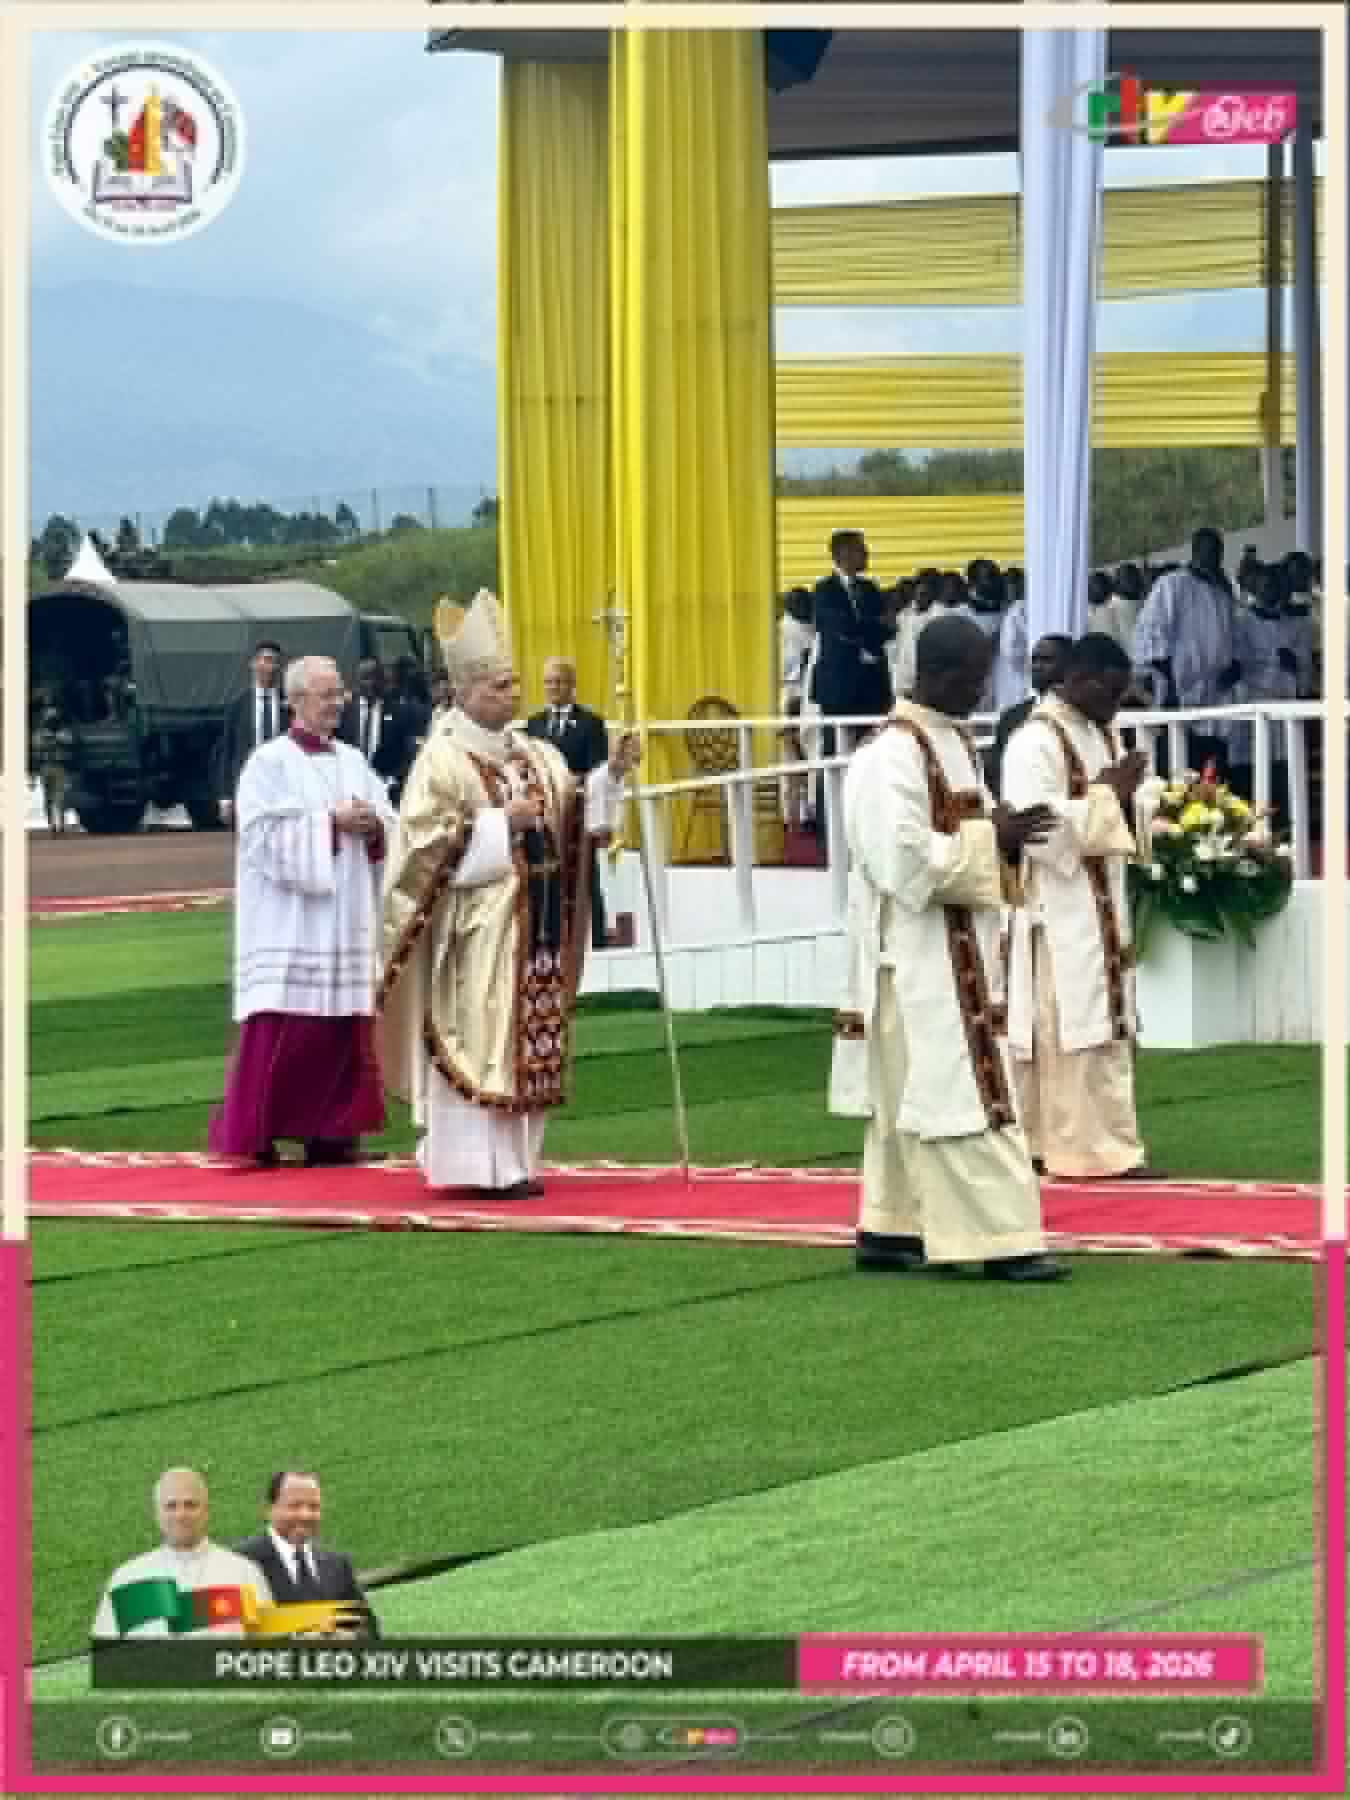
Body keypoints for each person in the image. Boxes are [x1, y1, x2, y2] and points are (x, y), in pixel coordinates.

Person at [379, 591, 640, 1197]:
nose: (512, 694)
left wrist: (611, 777)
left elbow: (571, 805)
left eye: (514, 682)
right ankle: (475, 1169)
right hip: (477, 932)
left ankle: (519, 1164)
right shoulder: (441, 760)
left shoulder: (531, 750)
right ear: (466, 692)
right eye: (499, 686)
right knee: (483, 1041)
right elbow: (420, 849)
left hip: (537, 923)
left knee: (528, 1039)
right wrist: (500, 825)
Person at [843, 613, 1065, 1282]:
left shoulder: (953, 741)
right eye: (971, 679)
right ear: (934, 673)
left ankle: (892, 1223)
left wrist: (1008, 837)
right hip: (915, 953)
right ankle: (1001, 1237)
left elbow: (975, 831)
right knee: (961, 1092)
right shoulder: (890, 754)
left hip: (960, 945)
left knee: (919, 1090)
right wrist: (989, 840)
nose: (980, 691)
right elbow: (900, 860)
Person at [208, 655, 394, 1169]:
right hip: (291, 921)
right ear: (295, 700)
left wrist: (375, 827)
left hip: (345, 916)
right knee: (283, 1029)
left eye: (339, 693)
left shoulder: (356, 761)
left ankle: (332, 1132)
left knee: (341, 1030)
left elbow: (391, 820)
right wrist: (329, 825)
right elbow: (260, 837)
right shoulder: (268, 763)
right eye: (325, 694)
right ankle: (258, 1134)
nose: (337, 703)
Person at [1002, 634, 1153, 1182]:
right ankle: (1069, 1147)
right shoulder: (1033, 742)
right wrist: (1108, 797)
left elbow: (1126, 805)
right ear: (1076, 679)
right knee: (1067, 1025)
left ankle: (1109, 1143)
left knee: (1106, 1024)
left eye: (1120, 694)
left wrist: (1137, 796)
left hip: (1103, 901)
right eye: (1108, 693)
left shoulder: (1101, 731)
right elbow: (1034, 828)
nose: (1115, 704)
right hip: (1059, 906)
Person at [91, 1468, 273, 1640]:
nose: (181, 1515)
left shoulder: (243, 1573)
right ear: (157, 1514)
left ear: (206, 1511)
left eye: (190, 1505)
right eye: (171, 1506)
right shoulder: (128, 1578)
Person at [1133, 526, 1241, 775]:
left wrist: (1235, 666)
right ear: (1195, 551)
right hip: (1180, 694)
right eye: (1208, 550)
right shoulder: (1172, 585)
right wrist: (1169, 686)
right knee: (1178, 769)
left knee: (1212, 772)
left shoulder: (1222, 594)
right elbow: (1151, 635)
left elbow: (1233, 639)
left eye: (1218, 551)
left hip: (1216, 697)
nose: (1214, 557)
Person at [525, 658, 613, 950]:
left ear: (572, 685)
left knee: (587, 877)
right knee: (545, 875)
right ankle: (548, 940)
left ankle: (598, 939)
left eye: (559, 681)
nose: (553, 688)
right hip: (545, 814)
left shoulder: (591, 723)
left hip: (577, 811)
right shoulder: (534, 725)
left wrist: (573, 781)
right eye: (548, 682)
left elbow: (598, 768)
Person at [237, 1471, 378, 1639]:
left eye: (314, 1507)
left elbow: (370, 1631)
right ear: (269, 1509)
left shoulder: (338, 1565)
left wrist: (349, 1636)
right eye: (295, 1506)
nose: (305, 1515)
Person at [985, 633, 1071, 800]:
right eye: (1034, 659)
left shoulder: (1080, 715)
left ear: (1068, 666)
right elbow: (995, 772)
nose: (1037, 666)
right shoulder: (1011, 718)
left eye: (1047, 660)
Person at [218, 639, 288, 825]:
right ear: (254, 663)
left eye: (275, 662)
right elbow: (227, 751)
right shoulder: (238, 706)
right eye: (266, 660)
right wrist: (225, 796)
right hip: (249, 784)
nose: (270, 667)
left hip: (282, 785)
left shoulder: (290, 705)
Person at [339, 657, 414, 802]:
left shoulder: (398, 711)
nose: (371, 683)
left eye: (376, 677)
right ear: (357, 680)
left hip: (384, 788)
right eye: (365, 678)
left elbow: (407, 752)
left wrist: (394, 779)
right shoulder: (344, 712)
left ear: (382, 680)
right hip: (349, 788)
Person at [31, 703, 76, 835]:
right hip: (45, 767)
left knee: (59, 799)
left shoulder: (63, 731)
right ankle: (52, 826)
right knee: (48, 800)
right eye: (49, 716)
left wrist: (55, 737)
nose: (51, 719)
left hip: (59, 767)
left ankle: (60, 826)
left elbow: (68, 740)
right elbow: (37, 745)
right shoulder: (40, 732)